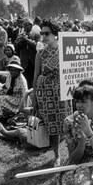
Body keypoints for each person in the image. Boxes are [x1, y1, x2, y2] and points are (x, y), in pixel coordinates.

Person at [32, 20, 73, 167]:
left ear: (55, 34)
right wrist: (34, 95)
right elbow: (35, 76)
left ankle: (72, 152)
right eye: (41, 33)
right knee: (52, 127)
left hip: (63, 92)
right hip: (46, 93)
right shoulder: (40, 53)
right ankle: (56, 155)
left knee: (67, 123)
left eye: (46, 33)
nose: (43, 36)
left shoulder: (66, 50)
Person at [0, 61, 28, 128]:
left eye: (15, 70)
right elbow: (6, 86)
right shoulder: (10, 76)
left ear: (19, 71)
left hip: (17, 100)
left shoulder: (22, 80)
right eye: (11, 70)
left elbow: (25, 95)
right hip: (9, 95)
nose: (13, 72)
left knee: (1, 100)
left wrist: (22, 108)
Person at [14, 19, 38, 87]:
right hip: (24, 61)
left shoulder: (35, 34)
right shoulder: (20, 35)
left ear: (31, 25)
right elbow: (16, 46)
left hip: (33, 60)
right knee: (25, 79)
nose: (25, 27)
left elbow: (37, 46)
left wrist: (27, 40)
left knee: (33, 79)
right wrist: (21, 40)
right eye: (24, 25)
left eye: (27, 25)